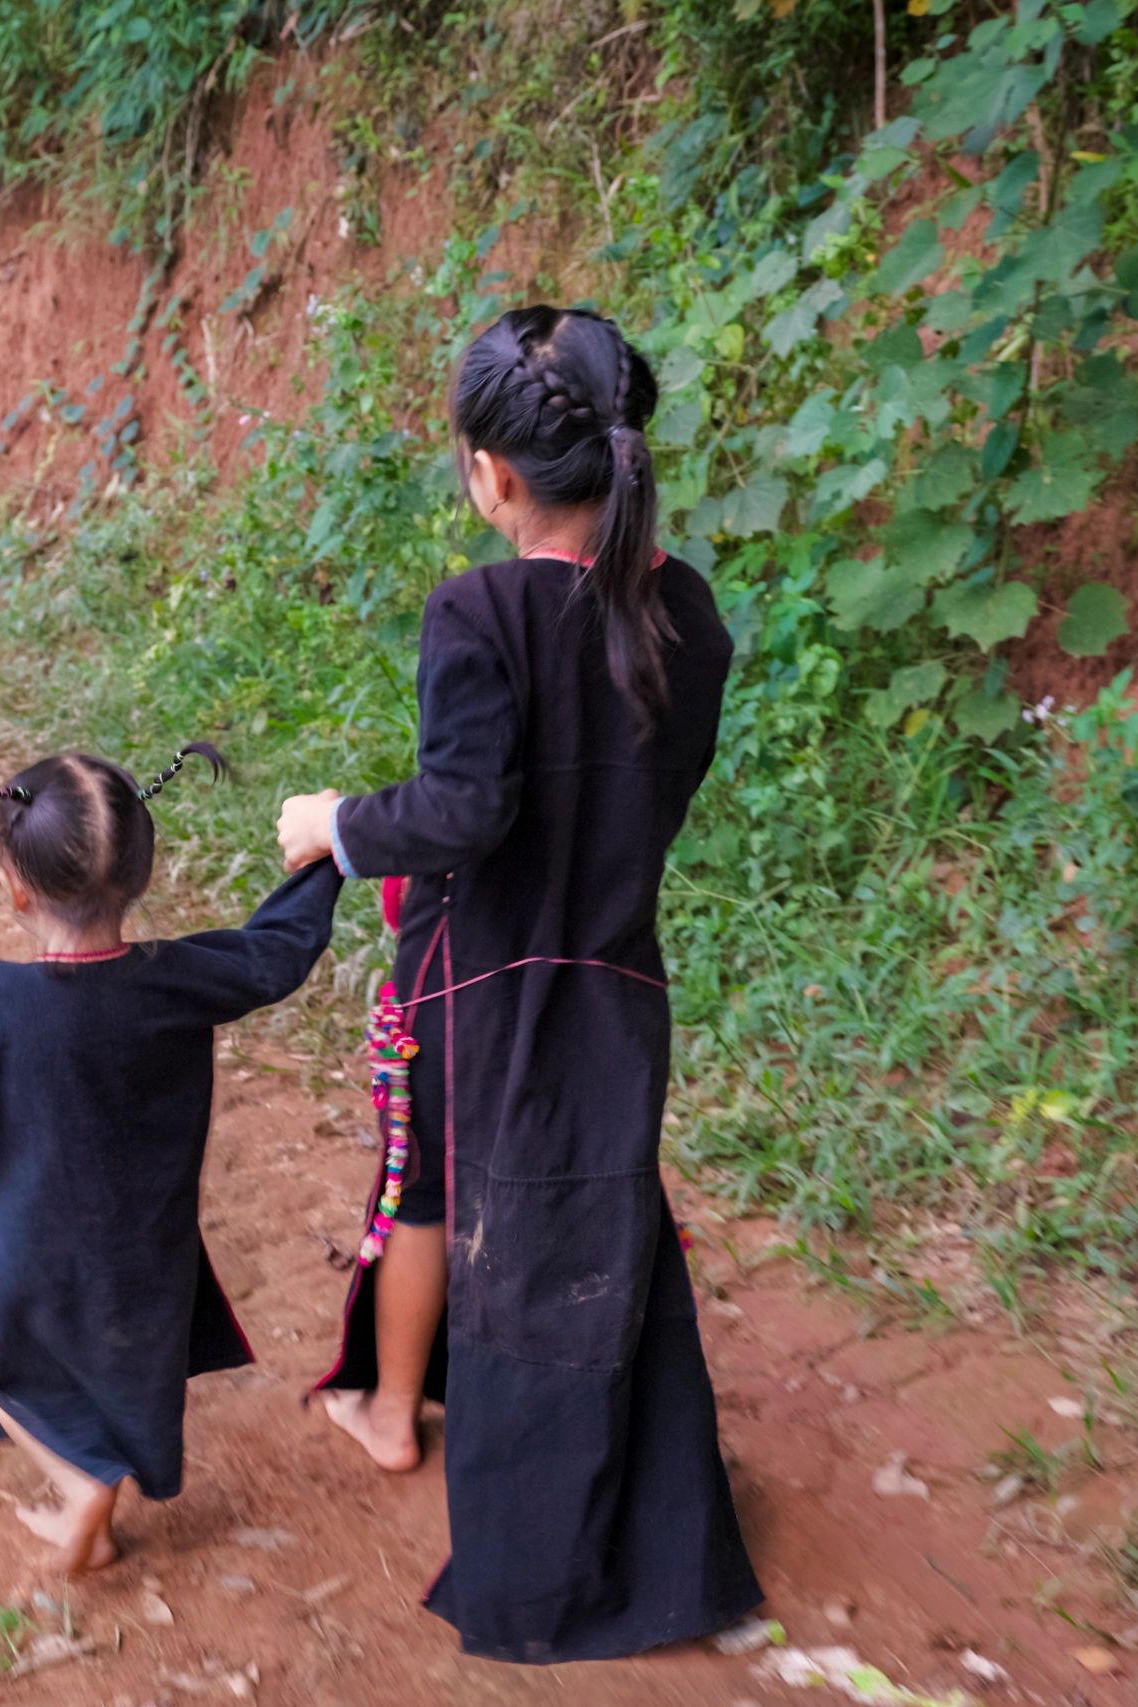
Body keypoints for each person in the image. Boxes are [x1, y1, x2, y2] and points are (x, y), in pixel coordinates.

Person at [276, 305, 763, 1662]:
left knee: (473, 1204)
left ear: (490, 476)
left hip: (474, 985)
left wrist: (334, 820)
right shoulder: (689, 617)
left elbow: (464, 809)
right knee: (593, 1216)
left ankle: (504, 1525)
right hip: (615, 979)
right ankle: (651, 1528)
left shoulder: (477, 611)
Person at [0, 747, 341, 1572]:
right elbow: (275, 951)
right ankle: (97, 1507)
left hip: (26, 1257)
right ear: (142, 871)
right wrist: (324, 862)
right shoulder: (177, 978)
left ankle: (82, 1492)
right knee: (117, 1359)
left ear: (15, 886)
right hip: (148, 1251)